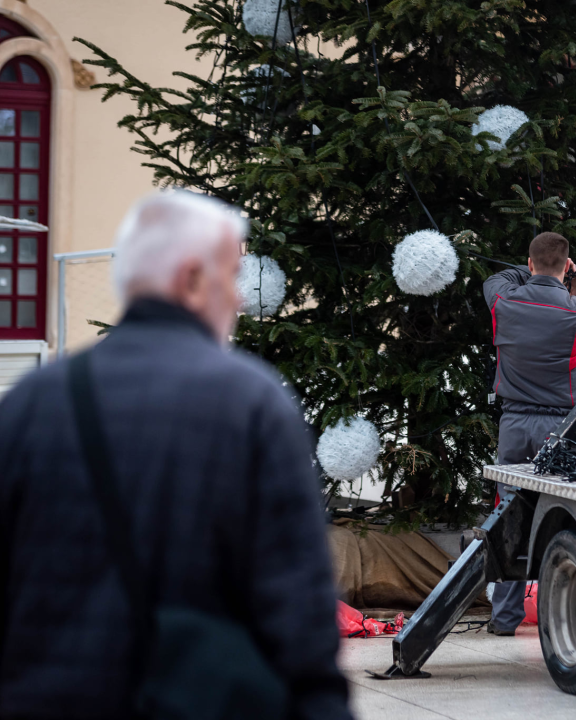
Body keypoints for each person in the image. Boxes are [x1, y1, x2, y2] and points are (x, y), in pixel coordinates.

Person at [0, 191, 353, 720]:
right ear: (190, 279)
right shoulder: (253, 403)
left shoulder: (28, 404)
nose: (238, 299)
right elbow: (298, 611)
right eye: (232, 275)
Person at [482, 231, 576, 636]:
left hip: (513, 425)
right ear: (566, 266)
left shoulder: (503, 299)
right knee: (564, 519)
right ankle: (559, 613)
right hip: (562, 430)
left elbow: (496, 280)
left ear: (529, 264)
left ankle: (503, 618)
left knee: (506, 515)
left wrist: (539, 268)